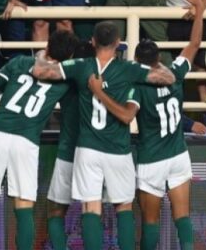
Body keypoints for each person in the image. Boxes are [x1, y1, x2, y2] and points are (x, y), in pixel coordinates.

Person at [30, 21, 175, 250]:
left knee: (91, 208)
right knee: (124, 208)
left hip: (87, 149)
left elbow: (39, 71)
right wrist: (150, 65)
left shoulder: (81, 66)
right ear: (118, 43)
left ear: (93, 41)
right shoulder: (128, 69)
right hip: (118, 150)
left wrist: (42, 54)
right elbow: (168, 78)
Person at [88, 0, 205, 250]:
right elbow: (195, 43)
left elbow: (126, 112)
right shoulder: (175, 73)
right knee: (182, 217)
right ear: (159, 56)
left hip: (151, 159)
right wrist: (199, 9)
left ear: (137, 61)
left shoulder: (137, 86)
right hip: (178, 155)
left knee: (150, 223)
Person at [0, 30, 81, 250]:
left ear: (47, 46)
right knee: (24, 207)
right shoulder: (66, 79)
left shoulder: (20, 62)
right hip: (26, 142)